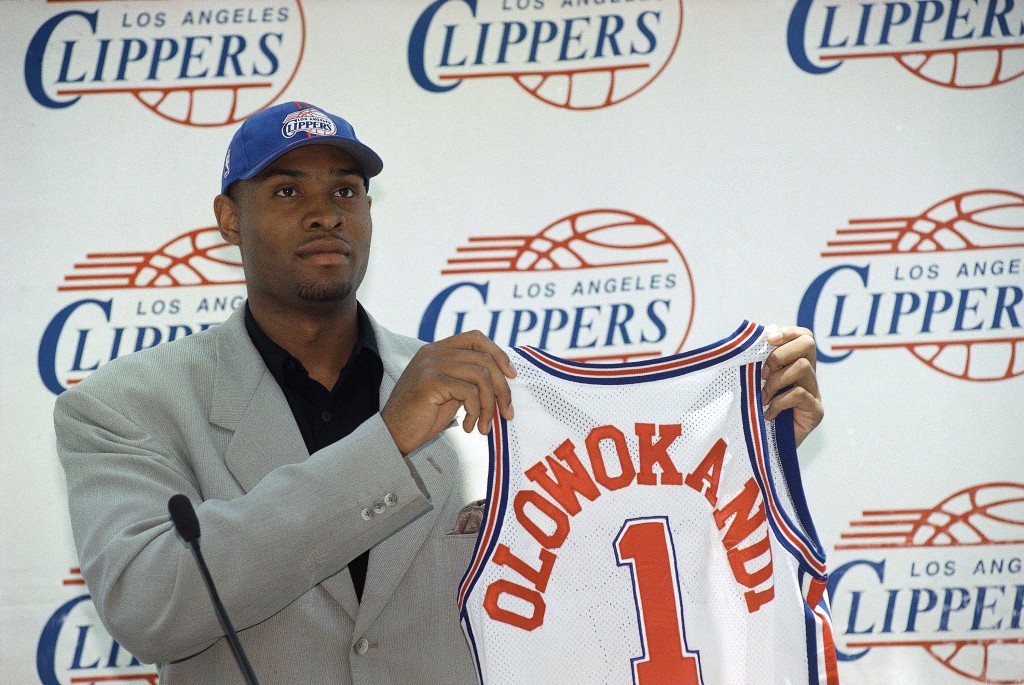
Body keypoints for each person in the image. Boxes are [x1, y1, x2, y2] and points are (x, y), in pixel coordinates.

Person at [54, 101, 824, 684]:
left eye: (347, 190)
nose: (325, 212)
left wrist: (746, 453)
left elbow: (606, 575)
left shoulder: (491, 394)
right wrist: (384, 443)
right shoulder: (124, 405)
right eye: (287, 191)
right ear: (229, 218)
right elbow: (149, 603)